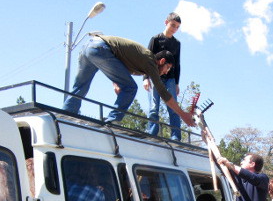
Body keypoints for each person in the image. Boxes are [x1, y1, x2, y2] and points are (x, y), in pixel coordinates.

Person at [62, 34, 195, 128]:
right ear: (161, 61)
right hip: (101, 48)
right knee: (131, 88)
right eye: (167, 68)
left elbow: (116, 64)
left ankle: (67, 114)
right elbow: (163, 92)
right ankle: (113, 120)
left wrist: (116, 82)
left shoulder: (138, 60)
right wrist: (183, 115)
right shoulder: (150, 62)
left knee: (80, 86)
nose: (166, 72)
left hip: (89, 47)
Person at [144, 12, 183, 140]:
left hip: (170, 79)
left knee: (173, 107)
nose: (174, 29)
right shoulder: (155, 39)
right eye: (173, 25)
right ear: (166, 22)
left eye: (177, 27)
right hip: (156, 76)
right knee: (154, 107)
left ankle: (176, 136)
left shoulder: (177, 44)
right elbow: (147, 59)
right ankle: (152, 134)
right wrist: (146, 78)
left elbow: (177, 64)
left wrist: (177, 83)